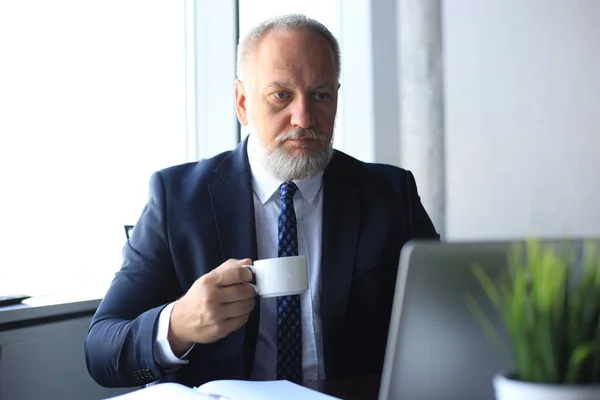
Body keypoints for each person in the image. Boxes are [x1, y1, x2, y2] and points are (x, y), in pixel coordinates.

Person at [84, 13, 439, 389]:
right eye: (281, 95)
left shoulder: (389, 194)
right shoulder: (178, 199)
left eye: (320, 95)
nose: (303, 118)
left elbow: (454, 320)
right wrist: (179, 325)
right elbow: (102, 354)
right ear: (242, 102)